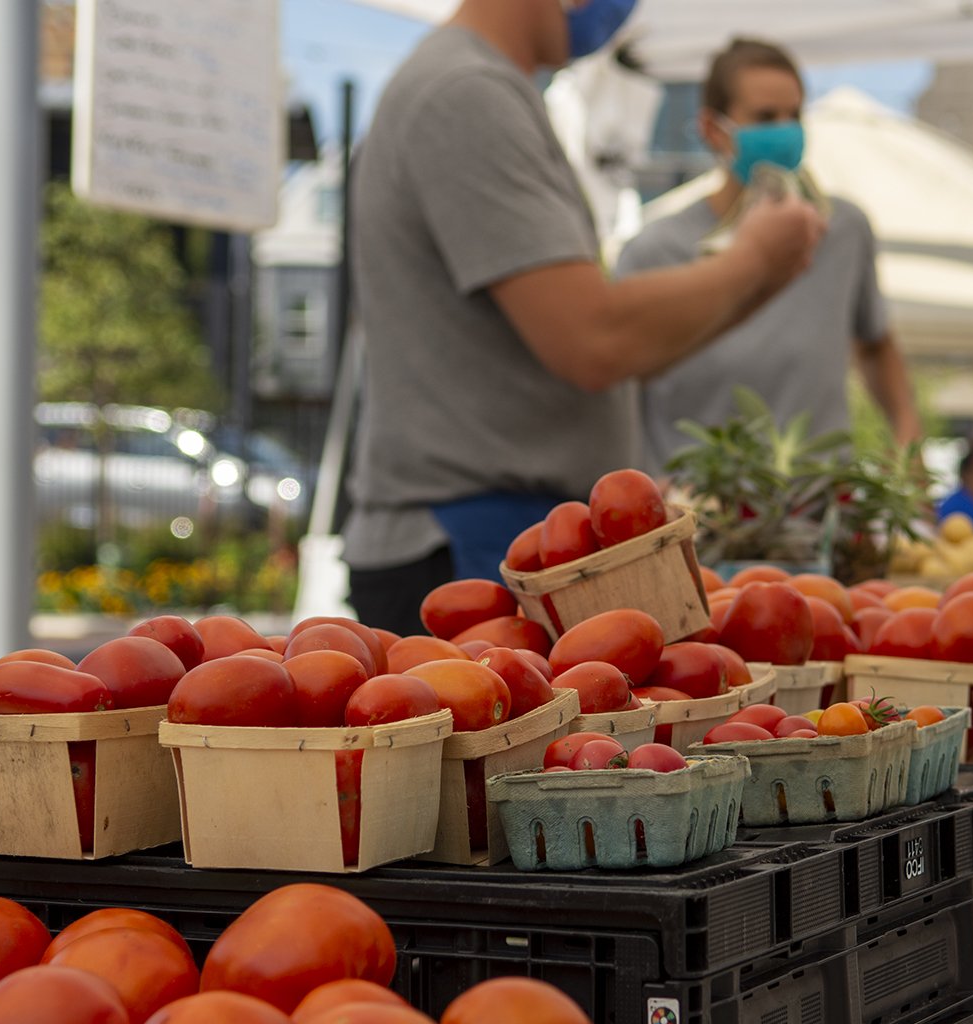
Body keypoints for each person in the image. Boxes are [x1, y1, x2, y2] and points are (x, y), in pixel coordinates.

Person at [343, 1, 827, 634]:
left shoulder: (476, 86)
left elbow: (614, 346)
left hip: (502, 533)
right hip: (472, 544)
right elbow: (593, 341)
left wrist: (761, 274)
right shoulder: (466, 94)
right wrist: (753, 261)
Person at [614, 38, 920, 472]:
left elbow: (877, 343)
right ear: (712, 129)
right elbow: (616, 389)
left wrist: (908, 441)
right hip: (696, 518)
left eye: (793, 115)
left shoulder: (841, 230)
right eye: (764, 118)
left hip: (819, 510)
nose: (784, 130)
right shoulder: (652, 251)